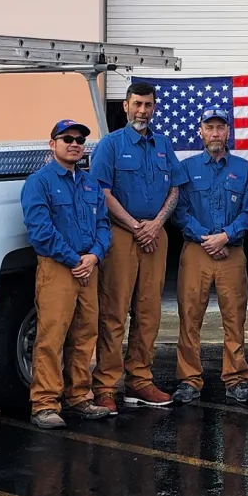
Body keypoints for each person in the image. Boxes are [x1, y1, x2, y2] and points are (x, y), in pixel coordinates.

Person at [88, 81, 188, 409]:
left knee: (148, 311)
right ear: (126, 106)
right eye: (137, 104)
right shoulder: (110, 145)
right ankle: (105, 386)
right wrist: (134, 226)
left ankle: (139, 381)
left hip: (155, 236)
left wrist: (157, 224)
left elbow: (175, 188)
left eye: (148, 105)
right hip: (121, 236)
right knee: (114, 311)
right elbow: (102, 193)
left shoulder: (163, 145)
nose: (142, 110)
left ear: (154, 108)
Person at [18, 119, 114, 429]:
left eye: (79, 140)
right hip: (59, 268)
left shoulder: (90, 184)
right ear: (52, 144)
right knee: (52, 337)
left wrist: (94, 255)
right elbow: (40, 230)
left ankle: (80, 398)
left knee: (85, 335)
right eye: (67, 138)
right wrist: (76, 260)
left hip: (88, 267)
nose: (74, 143)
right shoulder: (39, 182)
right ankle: (45, 404)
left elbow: (104, 225)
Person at [171, 109, 248, 406]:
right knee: (190, 316)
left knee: (235, 317)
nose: (215, 133)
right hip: (197, 250)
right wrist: (207, 238)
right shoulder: (187, 168)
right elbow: (179, 211)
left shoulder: (243, 168)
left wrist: (225, 236)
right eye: (209, 127)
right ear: (200, 132)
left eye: (220, 128)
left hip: (231, 250)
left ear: (228, 132)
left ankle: (235, 379)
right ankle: (189, 379)